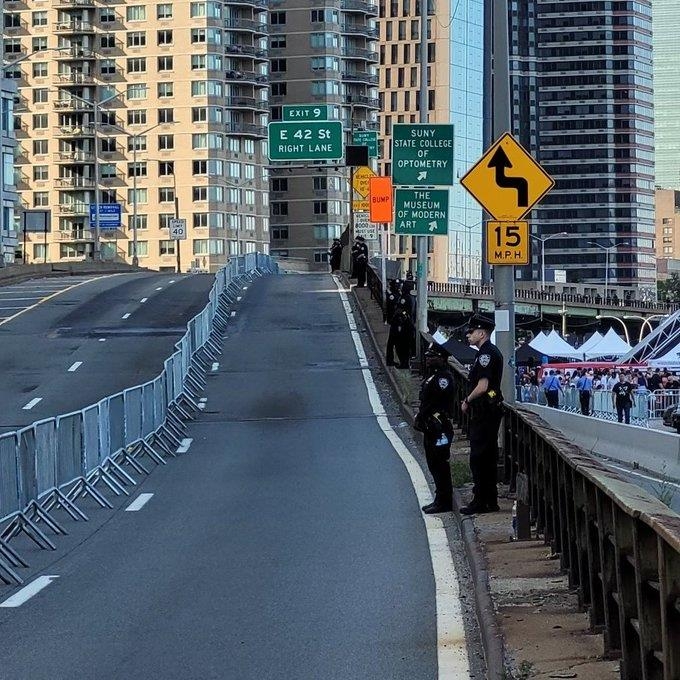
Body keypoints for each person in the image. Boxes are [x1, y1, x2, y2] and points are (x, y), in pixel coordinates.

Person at [460, 314, 504, 515]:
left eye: (472, 332)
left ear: (482, 333)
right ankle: (489, 499)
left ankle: (480, 500)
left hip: (485, 411)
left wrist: (467, 400)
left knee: (479, 457)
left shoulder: (486, 354)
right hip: (489, 410)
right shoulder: (487, 352)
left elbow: (483, 385)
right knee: (488, 456)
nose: (468, 335)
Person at [414, 337, 456, 514]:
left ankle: (444, 501)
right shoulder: (433, 377)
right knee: (433, 463)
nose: (428, 359)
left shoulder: (443, 379)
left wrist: (422, 416)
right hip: (431, 426)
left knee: (440, 464)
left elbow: (436, 403)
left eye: (432, 357)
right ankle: (439, 498)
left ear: (440, 358)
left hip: (439, 428)